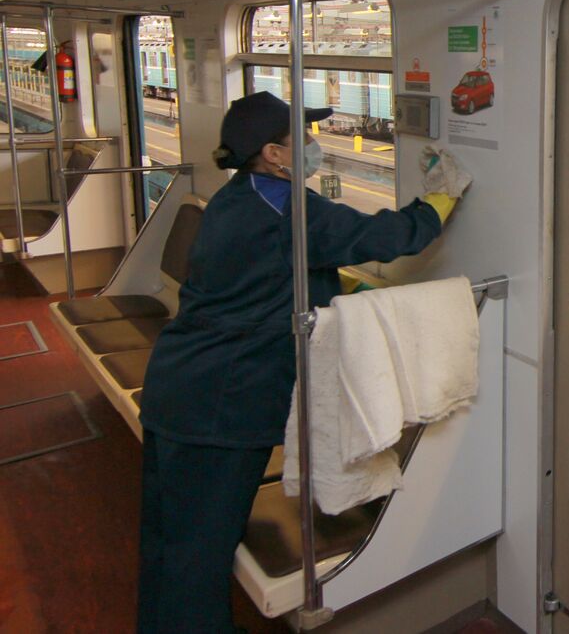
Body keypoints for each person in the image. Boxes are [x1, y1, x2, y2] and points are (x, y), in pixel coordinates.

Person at [136, 90, 462, 633]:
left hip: (182, 385)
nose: (312, 144)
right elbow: (384, 237)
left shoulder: (242, 196)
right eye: (302, 137)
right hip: (218, 407)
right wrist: (439, 201)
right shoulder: (289, 211)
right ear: (273, 154)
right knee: (197, 551)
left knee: (170, 539)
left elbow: (270, 277)